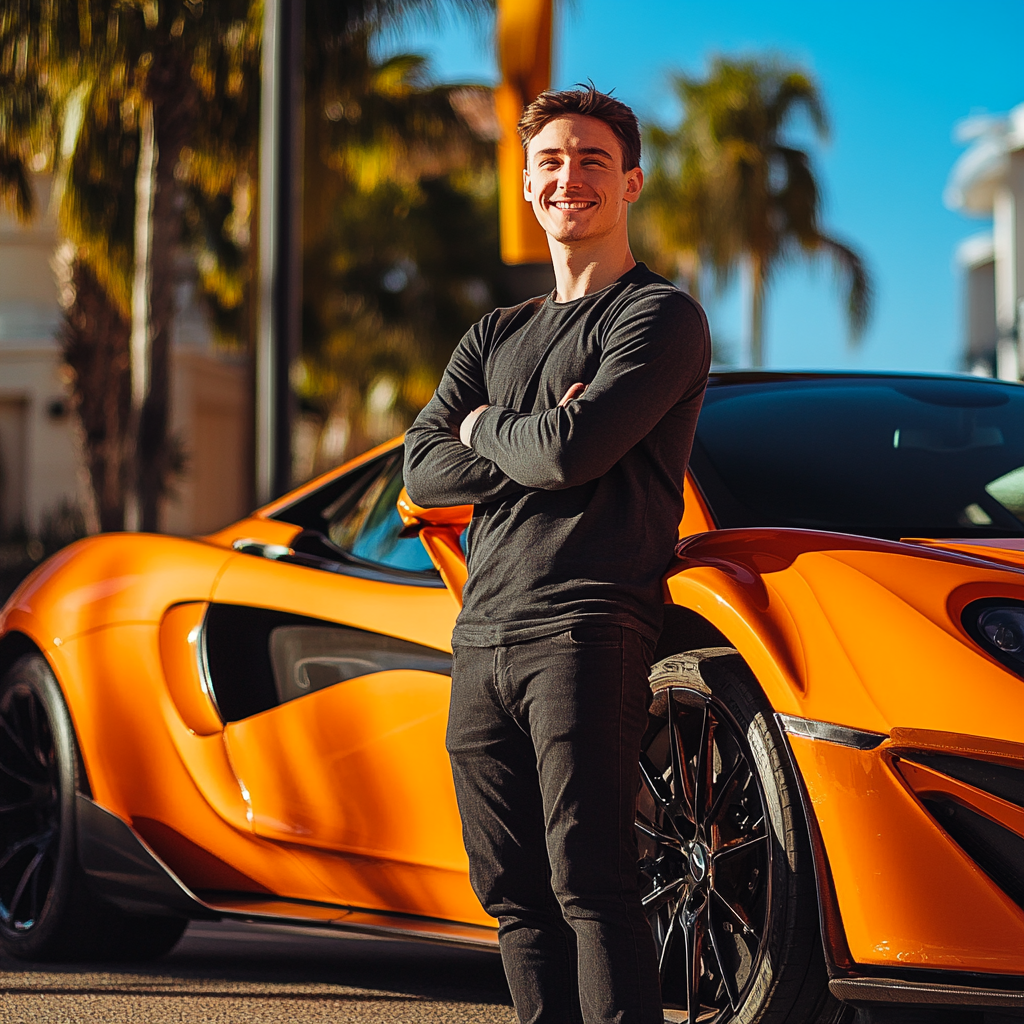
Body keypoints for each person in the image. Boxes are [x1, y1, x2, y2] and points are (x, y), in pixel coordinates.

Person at [403, 85, 711, 1024]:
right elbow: (421, 469)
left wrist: (490, 424)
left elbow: (572, 453)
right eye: (550, 162)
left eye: (591, 162)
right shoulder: (491, 333)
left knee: (593, 882)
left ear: (631, 186)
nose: (567, 178)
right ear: (528, 187)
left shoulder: (656, 318)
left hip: (587, 623)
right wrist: (534, 438)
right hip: (481, 633)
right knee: (511, 894)